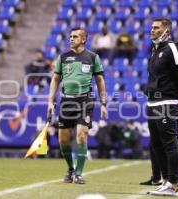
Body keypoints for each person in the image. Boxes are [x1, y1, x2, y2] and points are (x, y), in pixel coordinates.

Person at [47, 27, 107, 184]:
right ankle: (70, 169)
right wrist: (50, 101)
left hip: (85, 101)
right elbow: (55, 79)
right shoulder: (63, 57)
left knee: (82, 134)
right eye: (70, 36)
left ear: (83, 39)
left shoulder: (93, 57)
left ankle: (79, 173)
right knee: (63, 140)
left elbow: (100, 81)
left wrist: (103, 103)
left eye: (75, 36)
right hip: (66, 101)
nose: (71, 39)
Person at [145, 18, 178, 197]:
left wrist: (170, 95)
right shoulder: (155, 50)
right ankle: (164, 181)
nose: (152, 30)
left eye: (156, 28)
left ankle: (173, 184)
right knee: (157, 145)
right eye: (152, 28)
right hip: (152, 103)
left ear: (166, 31)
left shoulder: (171, 49)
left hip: (166, 103)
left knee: (170, 145)